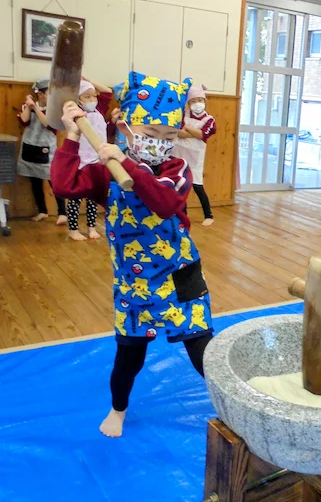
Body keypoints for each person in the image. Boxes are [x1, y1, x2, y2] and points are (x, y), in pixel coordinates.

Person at [52, 71, 213, 439]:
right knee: (129, 356)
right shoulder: (107, 173)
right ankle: (118, 409)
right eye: (151, 133)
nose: (160, 143)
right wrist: (72, 136)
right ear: (125, 128)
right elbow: (64, 185)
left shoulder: (177, 170)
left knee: (201, 348)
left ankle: (236, 404)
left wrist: (128, 166)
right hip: (135, 283)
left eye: (169, 137)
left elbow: (164, 202)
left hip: (180, 277)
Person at [66, 78, 113, 241]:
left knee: (93, 197)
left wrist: (88, 80)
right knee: (75, 197)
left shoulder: (99, 110)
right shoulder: (76, 112)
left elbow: (107, 92)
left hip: (96, 160)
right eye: (87, 96)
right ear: (78, 99)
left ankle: (91, 227)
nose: (92, 99)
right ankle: (73, 229)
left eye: (94, 96)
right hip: (79, 161)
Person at [17, 78, 67, 225]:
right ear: (40, 94)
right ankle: (42, 211)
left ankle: (62, 213)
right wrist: (29, 106)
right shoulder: (29, 105)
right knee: (35, 180)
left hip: (47, 149)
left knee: (53, 180)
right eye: (49, 92)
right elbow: (24, 121)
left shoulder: (55, 110)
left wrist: (36, 108)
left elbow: (48, 124)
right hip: (30, 146)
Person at [174, 85, 216, 226]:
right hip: (179, 155)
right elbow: (179, 133)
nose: (197, 104)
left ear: (205, 101)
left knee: (198, 186)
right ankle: (182, 215)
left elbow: (202, 135)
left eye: (200, 100)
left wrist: (188, 129)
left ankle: (208, 215)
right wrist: (193, 132)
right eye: (193, 101)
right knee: (180, 186)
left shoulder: (209, 120)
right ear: (189, 103)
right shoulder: (183, 115)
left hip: (195, 158)